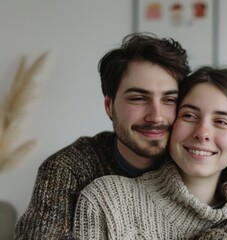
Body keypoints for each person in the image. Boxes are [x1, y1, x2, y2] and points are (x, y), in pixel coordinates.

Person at [73, 67, 227, 239]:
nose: (202, 133)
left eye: (221, 121)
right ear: (171, 125)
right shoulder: (106, 201)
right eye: (189, 116)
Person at [14, 33, 191, 239]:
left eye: (169, 99)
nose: (156, 116)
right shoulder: (68, 168)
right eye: (138, 98)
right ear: (109, 105)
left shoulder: (197, 158)